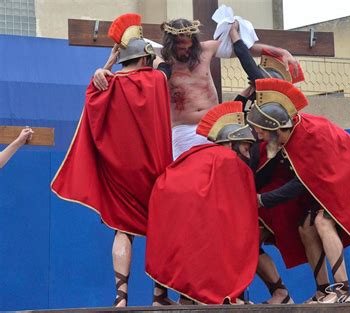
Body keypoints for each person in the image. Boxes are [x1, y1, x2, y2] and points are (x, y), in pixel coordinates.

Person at [247, 78, 350, 303]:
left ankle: (344, 290)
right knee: (305, 228)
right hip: (326, 183)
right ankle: (323, 290)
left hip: (349, 179)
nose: (259, 137)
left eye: (261, 132)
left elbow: (302, 181)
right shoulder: (286, 136)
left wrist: (263, 200)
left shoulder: (311, 134)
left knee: (322, 222)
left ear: (274, 128)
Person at [51, 14, 173, 307]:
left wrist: (104, 66)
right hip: (155, 171)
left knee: (123, 230)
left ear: (122, 59)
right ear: (144, 57)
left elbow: (92, 104)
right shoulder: (157, 81)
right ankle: (159, 297)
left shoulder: (107, 84)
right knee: (161, 229)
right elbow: (162, 66)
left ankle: (121, 298)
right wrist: (149, 53)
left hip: (121, 174)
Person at [93, 18, 299, 160]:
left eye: (189, 46)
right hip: (182, 131)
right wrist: (102, 70)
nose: (185, 51)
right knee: (186, 181)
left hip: (217, 128)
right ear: (170, 44)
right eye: (180, 47)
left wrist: (281, 52)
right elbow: (127, 73)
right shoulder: (158, 61)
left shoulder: (205, 50)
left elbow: (245, 49)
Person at [145, 101, 259, 305]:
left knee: (175, 244)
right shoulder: (228, 159)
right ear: (231, 142)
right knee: (216, 237)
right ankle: (210, 296)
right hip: (188, 204)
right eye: (245, 147)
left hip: (163, 198)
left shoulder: (196, 152)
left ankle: (160, 296)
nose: (248, 154)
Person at [229, 22, 307, 304]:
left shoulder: (281, 107)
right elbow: (233, 118)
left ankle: (264, 292)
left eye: (260, 84)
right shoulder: (261, 108)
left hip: (276, 186)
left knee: (245, 240)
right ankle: (276, 291)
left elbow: (253, 70)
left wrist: (237, 41)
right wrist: (244, 94)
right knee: (243, 241)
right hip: (259, 182)